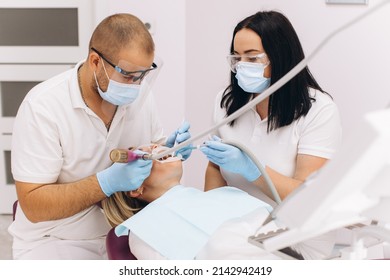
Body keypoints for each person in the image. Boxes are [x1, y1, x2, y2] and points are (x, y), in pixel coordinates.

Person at [9, 13, 191, 260]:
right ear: (95, 61)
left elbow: (150, 148)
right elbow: (33, 205)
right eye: (128, 76)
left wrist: (165, 150)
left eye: (143, 75)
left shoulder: (140, 94)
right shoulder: (43, 107)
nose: (136, 85)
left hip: (124, 231)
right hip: (55, 238)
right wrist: (105, 182)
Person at [200, 11, 342, 206]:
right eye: (237, 58)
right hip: (234, 224)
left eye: (252, 58)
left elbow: (307, 197)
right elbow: (215, 168)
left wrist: (254, 171)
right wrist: (208, 214)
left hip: (287, 229)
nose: (241, 66)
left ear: (280, 57)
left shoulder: (319, 110)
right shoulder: (226, 102)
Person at [102, 144, 336, 260]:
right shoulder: (143, 230)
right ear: (135, 187)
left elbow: (283, 247)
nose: (153, 147)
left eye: (151, 144)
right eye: (141, 155)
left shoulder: (224, 196)